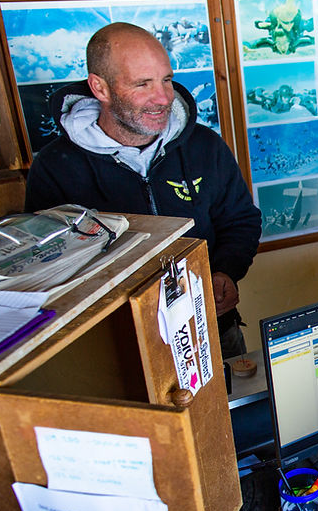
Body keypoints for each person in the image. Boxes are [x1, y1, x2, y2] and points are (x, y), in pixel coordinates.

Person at [24, 22, 261, 359]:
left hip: (211, 327)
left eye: (166, 79)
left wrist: (225, 270)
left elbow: (240, 220)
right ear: (100, 88)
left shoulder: (205, 147)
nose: (163, 97)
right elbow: (47, 263)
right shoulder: (56, 167)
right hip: (118, 347)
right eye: (142, 84)